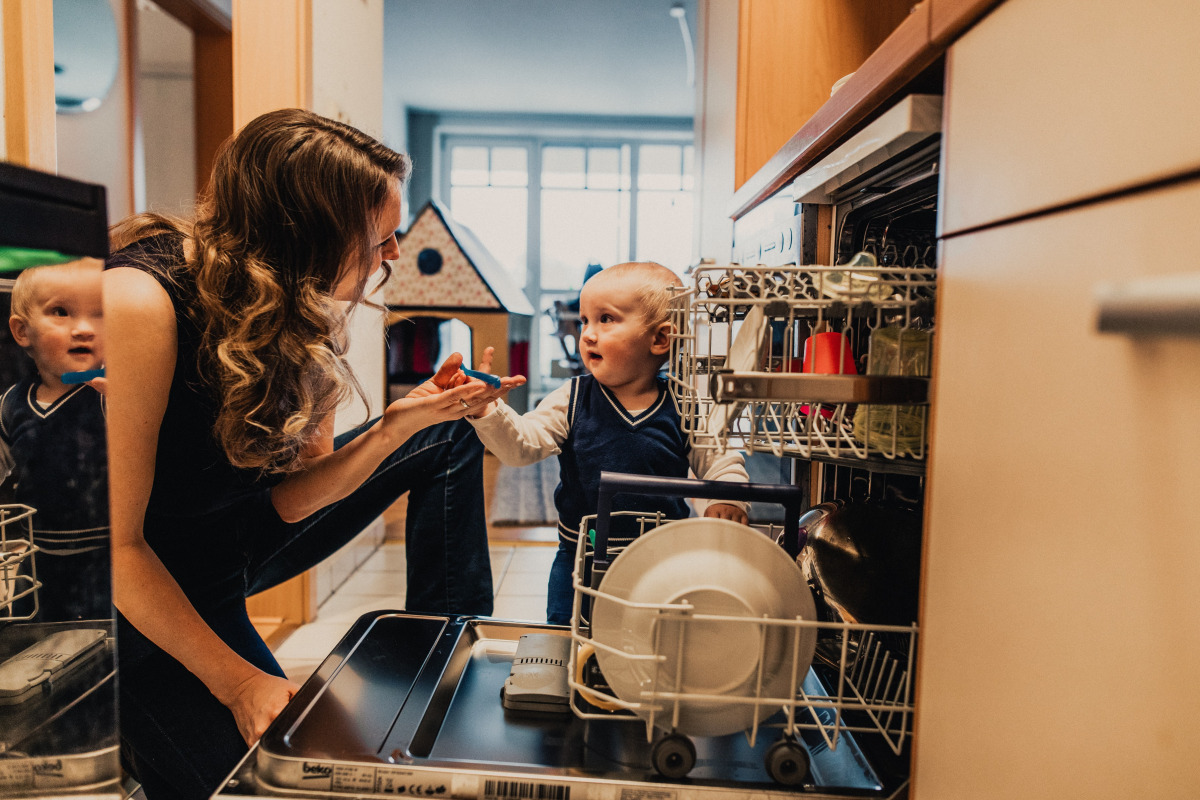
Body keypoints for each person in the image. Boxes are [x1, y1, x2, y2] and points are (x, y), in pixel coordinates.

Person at [102, 108, 523, 800]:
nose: (394, 254)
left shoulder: (298, 298)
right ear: (307, 233)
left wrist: (394, 427)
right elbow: (114, 548)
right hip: (139, 591)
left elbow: (293, 500)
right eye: (380, 239)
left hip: (226, 545)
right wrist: (239, 683)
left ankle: (446, 663)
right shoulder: (138, 302)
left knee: (442, 431)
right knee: (262, 781)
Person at [468, 261, 749, 625]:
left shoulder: (684, 404)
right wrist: (488, 410)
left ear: (660, 339)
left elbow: (719, 457)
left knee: (655, 640)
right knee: (568, 639)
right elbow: (522, 445)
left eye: (606, 319)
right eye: (585, 320)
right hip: (581, 561)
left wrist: (728, 496)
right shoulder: (571, 398)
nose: (587, 334)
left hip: (662, 562)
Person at [0, 259, 110, 621]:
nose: (84, 329)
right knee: (31, 641)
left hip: (111, 563)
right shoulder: (10, 405)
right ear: (22, 331)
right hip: (38, 566)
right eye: (61, 312)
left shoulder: (112, 394)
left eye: (100, 313)